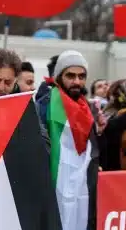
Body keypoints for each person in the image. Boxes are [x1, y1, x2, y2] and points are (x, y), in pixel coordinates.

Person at [37, 50, 99, 230]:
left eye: (82, 76)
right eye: (70, 76)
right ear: (58, 76)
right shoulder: (44, 104)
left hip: (81, 184)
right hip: (54, 183)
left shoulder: (86, 107)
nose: (77, 81)